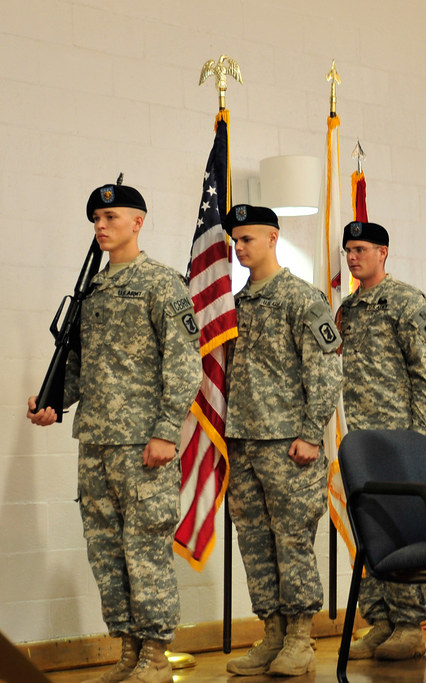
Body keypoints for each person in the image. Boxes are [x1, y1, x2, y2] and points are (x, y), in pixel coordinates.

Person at [27, 181, 202, 683]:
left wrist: (166, 431)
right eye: (96, 220)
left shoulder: (161, 284)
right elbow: (80, 365)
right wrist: (53, 402)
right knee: (106, 552)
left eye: (110, 218)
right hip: (96, 443)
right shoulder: (93, 290)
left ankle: (155, 655)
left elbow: (184, 364)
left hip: (143, 444)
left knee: (145, 550)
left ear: (137, 223)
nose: (101, 226)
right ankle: (128, 649)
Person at [221, 205, 343, 676]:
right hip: (243, 441)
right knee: (254, 542)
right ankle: (272, 633)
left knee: (292, 541)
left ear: (273, 238)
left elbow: (327, 371)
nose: (239, 247)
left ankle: (299, 638)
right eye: (235, 240)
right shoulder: (234, 304)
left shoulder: (301, 297)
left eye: (248, 238)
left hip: (289, 445)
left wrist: (311, 435)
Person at [337, 220, 426, 660]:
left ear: (383, 252)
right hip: (362, 444)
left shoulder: (406, 301)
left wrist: (418, 443)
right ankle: (379, 621)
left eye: (361, 249)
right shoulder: (348, 308)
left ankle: (408, 626)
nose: (352, 257)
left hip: (399, 441)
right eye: (348, 250)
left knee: (403, 531)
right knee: (370, 531)